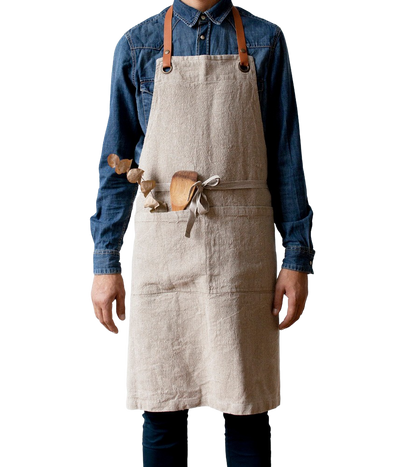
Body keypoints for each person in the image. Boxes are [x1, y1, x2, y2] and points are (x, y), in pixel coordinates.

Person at [88, 1, 316, 465]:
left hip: (242, 250)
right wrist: (105, 261)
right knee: (162, 407)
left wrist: (296, 258)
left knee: (247, 407)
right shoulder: (137, 43)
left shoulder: (267, 40)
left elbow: (287, 158)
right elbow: (116, 162)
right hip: (163, 247)